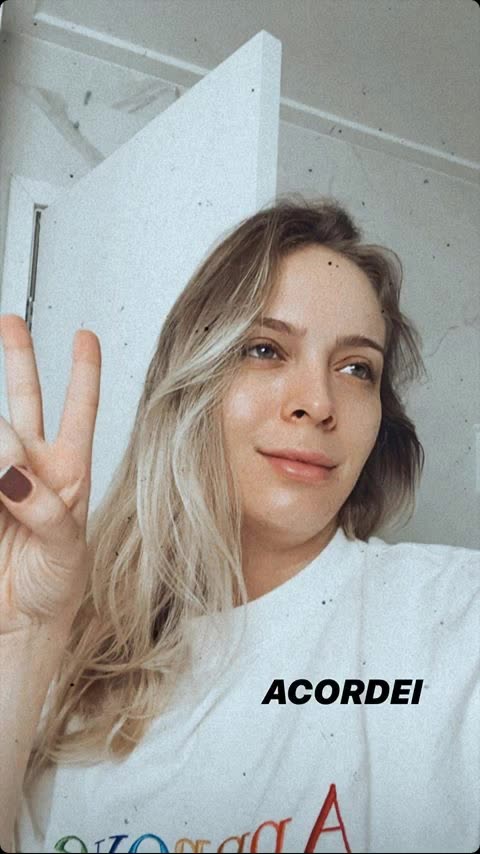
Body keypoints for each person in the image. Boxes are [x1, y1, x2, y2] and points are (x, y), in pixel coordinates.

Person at [0, 196, 478, 854]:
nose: (318, 403)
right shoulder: (67, 658)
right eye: (265, 349)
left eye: (356, 368)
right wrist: (23, 646)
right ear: (190, 382)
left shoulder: (454, 617)